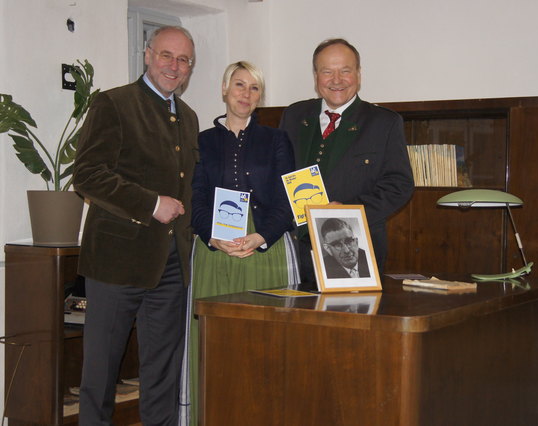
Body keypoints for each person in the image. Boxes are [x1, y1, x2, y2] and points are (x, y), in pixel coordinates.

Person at [72, 25, 199, 425]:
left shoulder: (190, 117)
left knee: (161, 372)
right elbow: (88, 174)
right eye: (166, 55)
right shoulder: (113, 103)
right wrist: (150, 204)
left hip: (170, 264)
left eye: (183, 60)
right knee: (101, 372)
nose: (174, 66)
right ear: (147, 55)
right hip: (116, 263)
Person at [186, 61, 297, 425]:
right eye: (239, 85)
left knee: (267, 345)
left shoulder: (277, 139)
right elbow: (196, 197)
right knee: (216, 346)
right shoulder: (203, 140)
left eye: (254, 88)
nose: (245, 94)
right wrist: (212, 237)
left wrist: (262, 236)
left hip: (266, 247)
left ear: (260, 97)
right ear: (223, 89)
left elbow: (287, 200)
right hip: (215, 251)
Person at [279, 38, 414, 286]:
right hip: (294, 252)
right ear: (316, 76)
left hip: (355, 252)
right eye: (327, 71)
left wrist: (348, 212)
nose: (337, 80)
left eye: (345, 71)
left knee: (351, 322)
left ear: (358, 74)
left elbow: (399, 185)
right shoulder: (294, 116)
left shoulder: (384, 123)